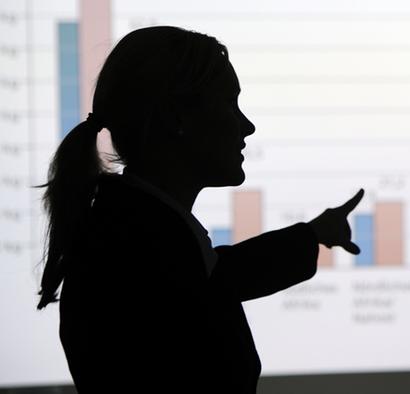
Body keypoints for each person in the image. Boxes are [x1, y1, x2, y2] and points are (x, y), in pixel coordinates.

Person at [36, 26, 363, 393]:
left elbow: (217, 278)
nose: (247, 125)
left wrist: (316, 233)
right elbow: (207, 288)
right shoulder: (141, 247)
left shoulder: (133, 231)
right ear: (177, 118)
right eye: (229, 103)